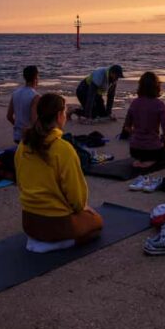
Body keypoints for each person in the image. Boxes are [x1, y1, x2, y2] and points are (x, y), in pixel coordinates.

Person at [15, 93, 103, 253]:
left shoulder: (23, 145)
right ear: (58, 115)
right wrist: (83, 209)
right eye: (65, 112)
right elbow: (77, 197)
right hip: (56, 223)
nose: (66, 117)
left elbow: (20, 182)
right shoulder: (63, 149)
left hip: (29, 222)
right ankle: (58, 243)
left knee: (85, 219)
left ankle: (42, 240)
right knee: (96, 222)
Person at [122, 72, 165, 169]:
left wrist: (136, 134)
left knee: (144, 150)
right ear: (156, 86)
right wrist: (164, 142)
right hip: (152, 149)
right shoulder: (160, 104)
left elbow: (127, 127)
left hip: (134, 149)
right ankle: (151, 161)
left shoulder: (134, 103)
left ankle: (141, 160)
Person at [6, 65, 40, 143]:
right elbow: (34, 120)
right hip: (29, 137)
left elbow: (9, 116)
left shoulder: (15, 93)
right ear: (35, 78)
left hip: (17, 135)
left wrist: (18, 126)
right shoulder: (35, 96)